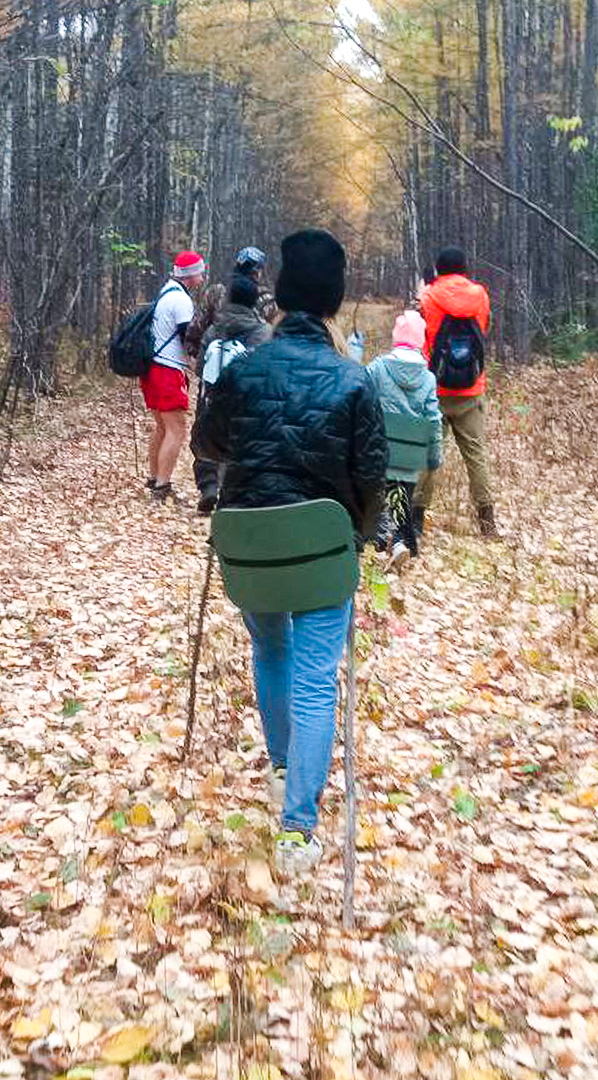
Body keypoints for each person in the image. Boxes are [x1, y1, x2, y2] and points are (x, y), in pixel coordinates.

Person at [191, 228, 387, 876]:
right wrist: (352, 538)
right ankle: (298, 829)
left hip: (250, 547)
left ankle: (281, 769)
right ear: (333, 301)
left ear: (284, 297)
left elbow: (208, 446)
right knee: (313, 679)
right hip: (323, 550)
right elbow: (372, 478)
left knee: (270, 649)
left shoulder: (246, 370)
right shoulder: (354, 380)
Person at [417, 246, 500, 538]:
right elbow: (485, 328)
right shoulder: (480, 295)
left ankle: (415, 521)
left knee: (428, 455)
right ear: (464, 269)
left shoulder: (428, 296)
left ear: (438, 269)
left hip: (433, 389)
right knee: (476, 455)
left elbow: (420, 336)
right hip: (471, 388)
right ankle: (487, 523)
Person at [187, 248, 275, 513]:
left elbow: (197, 327)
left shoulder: (216, 293)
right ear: (259, 269)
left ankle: (208, 485)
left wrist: (196, 353)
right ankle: (234, 494)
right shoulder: (268, 300)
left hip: (214, 377)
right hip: (249, 383)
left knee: (205, 429)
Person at [365, 310, 442, 565]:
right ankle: (400, 541)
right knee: (401, 495)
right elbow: (433, 420)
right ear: (421, 340)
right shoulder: (428, 378)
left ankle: (391, 540)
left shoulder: (377, 368)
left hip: (380, 447)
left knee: (382, 494)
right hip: (411, 453)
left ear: (395, 338)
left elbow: (359, 395)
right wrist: (434, 456)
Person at [144, 251, 204, 503]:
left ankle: (154, 478)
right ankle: (162, 487)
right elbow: (187, 337)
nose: (202, 276)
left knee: (162, 427)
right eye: (200, 271)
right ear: (191, 275)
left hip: (152, 369)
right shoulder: (181, 301)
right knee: (177, 430)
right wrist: (198, 364)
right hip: (167, 370)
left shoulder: (166, 292)